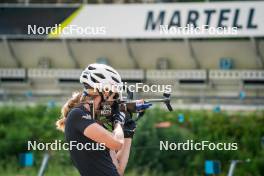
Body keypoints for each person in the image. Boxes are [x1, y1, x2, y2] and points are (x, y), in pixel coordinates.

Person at [56, 63, 137, 176]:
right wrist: (119, 120)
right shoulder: (78, 115)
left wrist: (128, 133)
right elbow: (117, 143)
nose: (114, 101)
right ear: (104, 92)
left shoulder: (96, 123)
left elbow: (117, 170)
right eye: (114, 96)